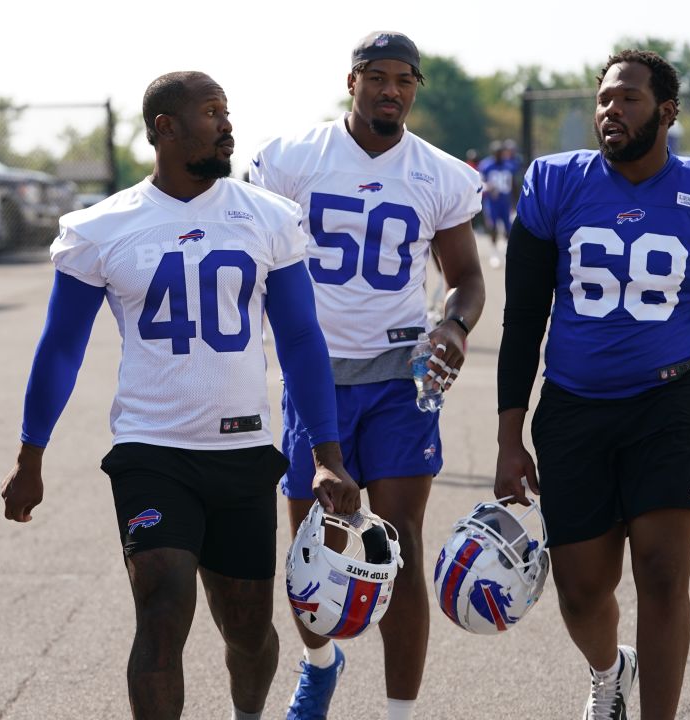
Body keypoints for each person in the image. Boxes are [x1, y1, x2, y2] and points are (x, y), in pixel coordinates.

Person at [0, 71, 360, 720]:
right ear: (166, 128)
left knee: (247, 627)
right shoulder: (102, 227)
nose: (227, 125)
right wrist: (31, 455)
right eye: (211, 112)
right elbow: (61, 346)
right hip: (151, 450)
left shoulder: (269, 218)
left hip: (243, 449)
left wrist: (326, 453)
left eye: (228, 112)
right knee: (162, 609)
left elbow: (302, 341)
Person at [495, 50, 690, 720]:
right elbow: (523, 316)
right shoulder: (553, 184)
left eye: (627, 98)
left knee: (660, 572)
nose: (610, 110)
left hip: (671, 400)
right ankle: (607, 668)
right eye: (603, 99)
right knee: (582, 591)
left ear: (667, 112)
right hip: (573, 405)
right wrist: (509, 437)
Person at [250, 30, 485, 720]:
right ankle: (321, 664)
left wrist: (454, 324)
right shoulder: (294, 159)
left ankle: (398, 714)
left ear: (415, 88)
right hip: (313, 371)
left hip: (398, 375)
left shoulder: (439, 173)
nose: (390, 91)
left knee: (400, 542)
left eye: (404, 80)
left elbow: (467, 279)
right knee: (314, 539)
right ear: (351, 81)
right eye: (377, 77)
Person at [478, 139, 520, 268]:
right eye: (497, 153)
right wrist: (489, 187)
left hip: (505, 201)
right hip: (492, 201)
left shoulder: (510, 165)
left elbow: (513, 184)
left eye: (501, 152)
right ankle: (494, 254)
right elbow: (479, 182)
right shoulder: (486, 165)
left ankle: (508, 254)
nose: (499, 155)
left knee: (508, 229)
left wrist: (516, 202)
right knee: (493, 227)